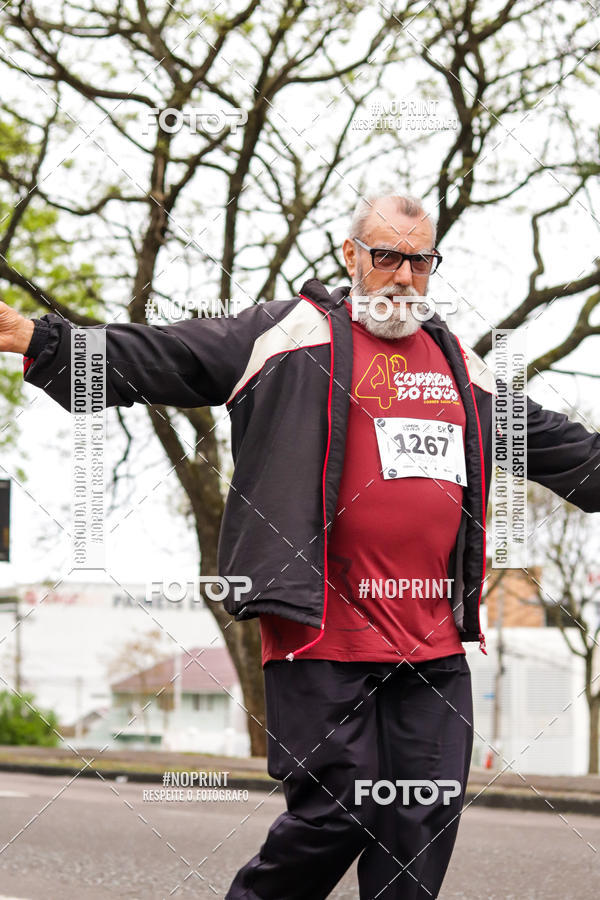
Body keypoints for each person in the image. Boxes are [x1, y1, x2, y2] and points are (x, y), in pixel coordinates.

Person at [1, 194, 599, 899]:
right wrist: (40, 338)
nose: (403, 276)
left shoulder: (458, 364)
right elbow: (169, 355)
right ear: (351, 255)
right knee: (337, 812)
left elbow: (558, 445)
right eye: (387, 256)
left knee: (422, 821)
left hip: (431, 642)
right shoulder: (287, 334)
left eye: (420, 261)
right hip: (321, 631)